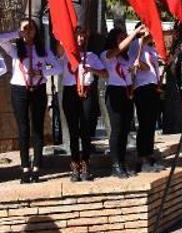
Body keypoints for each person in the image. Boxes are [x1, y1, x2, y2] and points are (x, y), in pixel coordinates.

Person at [0, 19, 61, 183]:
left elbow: (58, 67)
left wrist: (41, 73)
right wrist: (17, 34)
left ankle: (36, 167)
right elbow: (0, 39)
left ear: (36, 30)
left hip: (39, 89)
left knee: (37, 128)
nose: (28, 30)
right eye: (24, 28)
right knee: (23, 128)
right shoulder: (15, 50)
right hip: (19, 90)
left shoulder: (43, 50)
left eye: (31, 27)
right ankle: (25, 167)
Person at [60, 27, 106, 182]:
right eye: (78, 37)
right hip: (70, 92)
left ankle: (85, 163)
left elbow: (105, 73)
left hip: (86, 93)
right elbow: (57, 52)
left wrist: (91, 69)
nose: (80, 40)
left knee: (85, 131)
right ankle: (75, 164)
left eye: (83, 37)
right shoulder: (66, 54)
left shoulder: (91, 56)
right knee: (73, 131)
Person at [101, 25, 146, 178]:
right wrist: (133, 34)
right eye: (121, 38)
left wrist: (136, 66)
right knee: (117, 129)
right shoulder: (107, 54)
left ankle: (122, 161)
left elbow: (139, 70)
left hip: (127, 92)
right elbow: (117, 49)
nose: (124, 41)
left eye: (124, 37)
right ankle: (115, 164)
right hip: (114, 92)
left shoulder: (126, 58)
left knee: (125, 130)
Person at [129, 24, 165, 173]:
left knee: (151, 123)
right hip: (142, 87)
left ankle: (149, 155)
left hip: (153, 86)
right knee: (144, 123)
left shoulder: (151, 49)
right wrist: (141, 64)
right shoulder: (135, 45)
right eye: (146, 28)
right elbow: (134, 63)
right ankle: (142, 157)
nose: (150, 31)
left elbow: (154, 67)